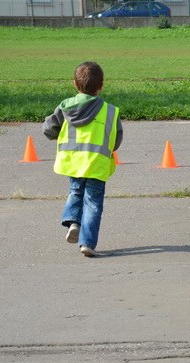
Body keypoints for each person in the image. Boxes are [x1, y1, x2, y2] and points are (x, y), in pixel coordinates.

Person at [42, 61, 123, 257]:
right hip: (97, 164)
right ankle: (87, 243)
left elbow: (48, 129)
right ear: (101, 85)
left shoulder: (65, 107)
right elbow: (116, 140)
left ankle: (73, 222)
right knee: (93, 203)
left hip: (73, 162)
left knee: (76, 191)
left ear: (75, 84)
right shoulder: (110, 111)